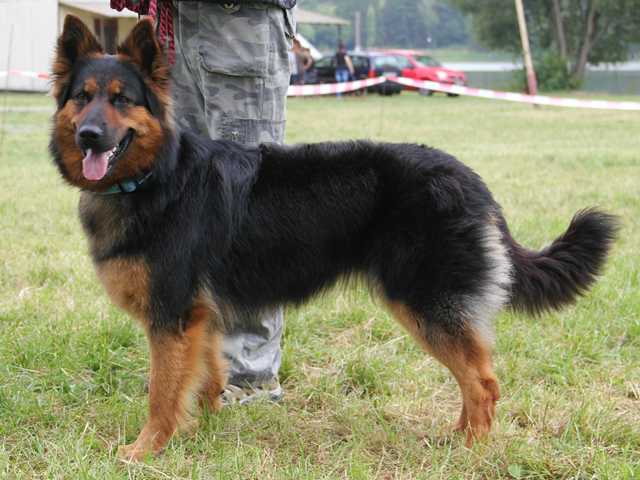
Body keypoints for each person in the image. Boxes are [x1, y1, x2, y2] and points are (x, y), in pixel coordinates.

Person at [111, 0, 296, 404]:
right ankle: (199, 368)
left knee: (248, 198)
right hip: (177, 20)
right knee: (185, 199)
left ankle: (250, 373)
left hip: (241, 18)